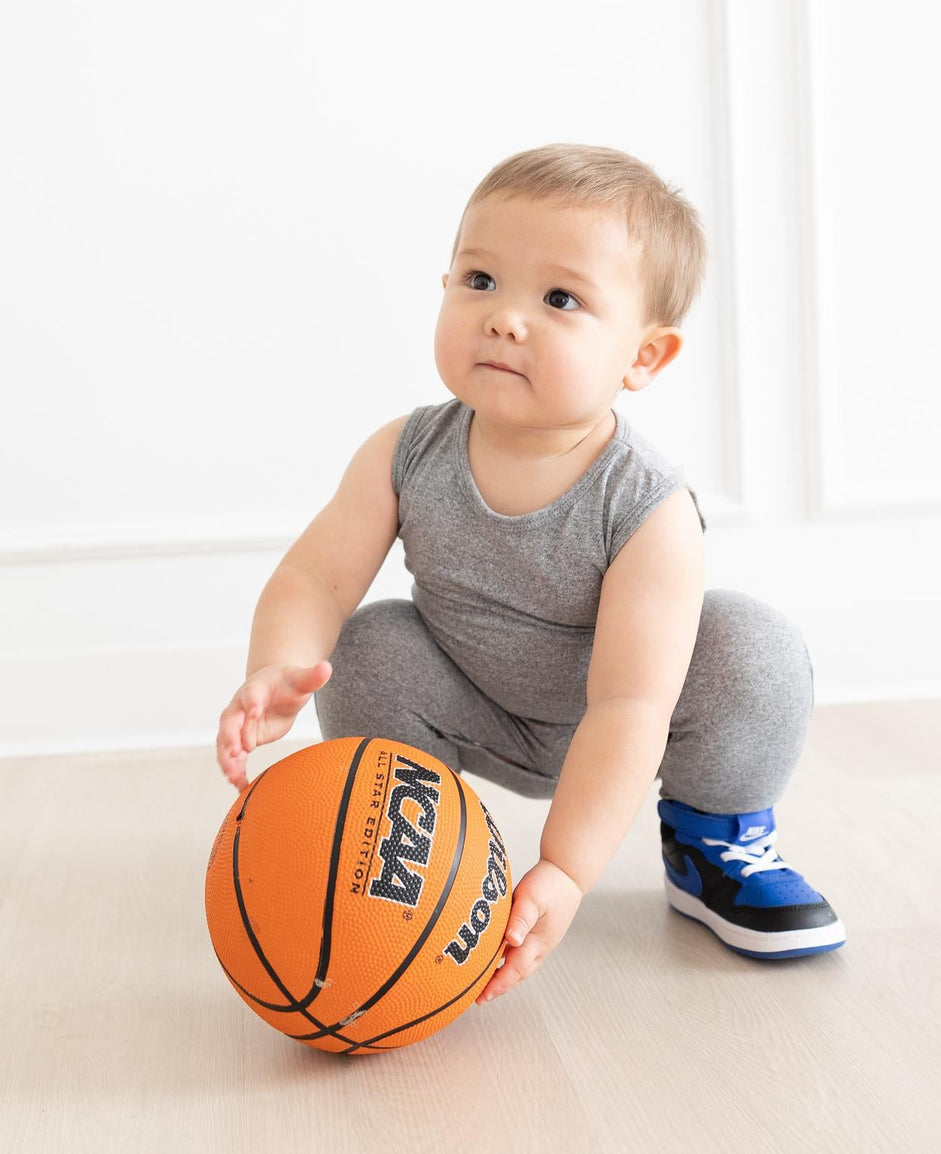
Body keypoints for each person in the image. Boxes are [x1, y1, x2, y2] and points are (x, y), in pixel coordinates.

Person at [215, 143, 845, 1007]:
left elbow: (631, 704)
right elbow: (317, 578)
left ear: (644, 358)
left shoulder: (647, 507)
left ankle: (711, 839)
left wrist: (566, 870)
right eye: (479, 280)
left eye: (560, 299)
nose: (506, 318)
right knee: (366, 644)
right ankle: (408, 851)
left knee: (753, 647)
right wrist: (277, 666)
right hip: (476, 703)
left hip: (623, 717)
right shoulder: (405, 453)